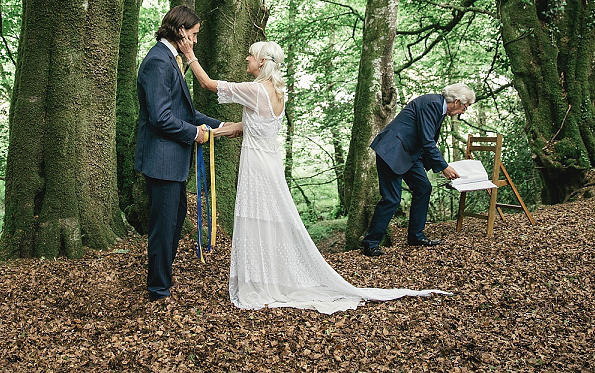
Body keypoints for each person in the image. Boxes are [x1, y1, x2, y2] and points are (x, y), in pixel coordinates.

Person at [178, 37, 448, 313]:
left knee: (257, 217)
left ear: (261, 62)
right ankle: (267, 275)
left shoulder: (256, 90)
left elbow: (208, 85)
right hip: (267, 162)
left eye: (250, 55)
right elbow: (246, 127)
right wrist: (210, 132)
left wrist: (189, 54)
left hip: (256, 164)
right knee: (268, 218)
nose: (246, 59)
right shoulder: (276, 92)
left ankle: (261, 280)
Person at [135, 6, 224, 302]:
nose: (196, 41)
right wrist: (195, 134)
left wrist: (221, 126)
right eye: (194, 34)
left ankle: (163, 279)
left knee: (175, 219)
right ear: (181, 31)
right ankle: (158, 290)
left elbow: (184, 111)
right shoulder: (158, 62)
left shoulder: (171, 60)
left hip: (172, 160)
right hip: (162, 161)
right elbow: (161, 117)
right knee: (164, 227)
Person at [361, 84, 476, 256]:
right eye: (465, 107)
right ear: (457, 101)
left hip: (409, 154)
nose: (463, 111)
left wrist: (438, 165)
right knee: (392, 199)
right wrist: (443, 167)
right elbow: (427, 140)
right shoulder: (432, 104)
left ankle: (416, 236)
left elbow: (425, 140)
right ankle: (370, 243)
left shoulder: (439, 108)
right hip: (392, 150)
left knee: (423, 188)